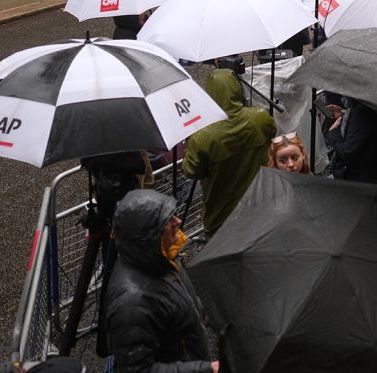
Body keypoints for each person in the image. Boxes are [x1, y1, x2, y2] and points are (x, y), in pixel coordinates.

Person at [104, 189, 219, 373]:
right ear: (148, 236)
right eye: (167, 220)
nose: (178, 221)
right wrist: (206, 369)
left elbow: (177, 292)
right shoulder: (131, 305)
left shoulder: (160, 254)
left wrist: (199, 308)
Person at [182, 68, 276, 238]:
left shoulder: (202, 136)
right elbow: (272, 133)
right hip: (259, 206)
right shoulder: (260, 118)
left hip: (221, 217)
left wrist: (189, 145)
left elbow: (191, 170)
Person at [323, 97, 377, 182]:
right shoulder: (360, 108)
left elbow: (347, 152)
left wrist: (333, 132)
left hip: (356, 179)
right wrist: (343, 113)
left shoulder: (361, 114)